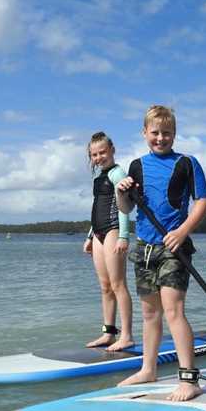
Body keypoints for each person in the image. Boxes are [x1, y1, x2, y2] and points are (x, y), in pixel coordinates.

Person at [115, 105, 206, 401]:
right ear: (144, 133)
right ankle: (148, 369)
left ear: (174, 134)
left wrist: (183, 232)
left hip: (174, 248)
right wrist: (121, 191)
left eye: (166, 133)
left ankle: (189, 379)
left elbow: (203, 203)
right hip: (144, 248)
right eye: (154, 133)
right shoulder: (136, 166)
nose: (160, 138)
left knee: (173, 311)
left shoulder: (187, 163)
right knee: (149, 312)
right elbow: (126, 208)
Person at [83, 132, 134, 351]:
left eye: (102, 152)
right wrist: (89, 236)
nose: (99, 157)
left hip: (113, 231)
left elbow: (123, 208)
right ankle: (108, 334)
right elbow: (97, 209)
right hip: (98, 234)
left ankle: (128, 336)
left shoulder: (117, 173)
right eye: (94, 154)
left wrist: (124, 236)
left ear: (112, 150)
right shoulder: (99, 178)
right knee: (105, 287)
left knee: (118, 285)